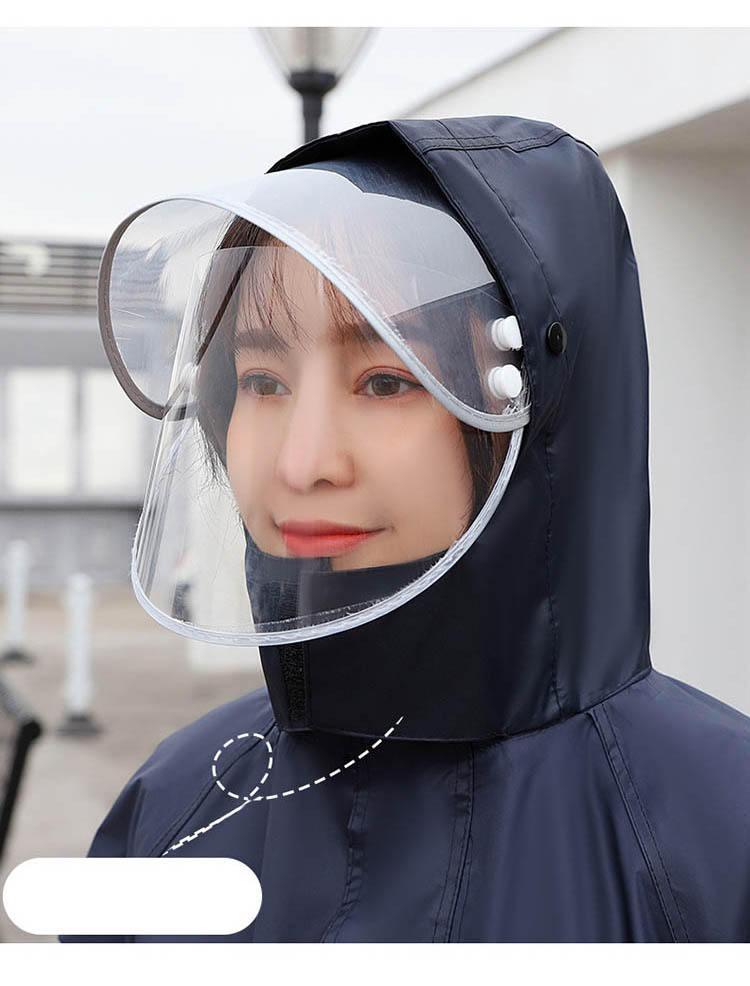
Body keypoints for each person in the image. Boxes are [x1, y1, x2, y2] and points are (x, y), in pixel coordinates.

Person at [67, 116, 749, 942]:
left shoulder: (717, 833)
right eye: (263, 381)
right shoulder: (176, 807)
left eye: (387, 381)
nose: (303, 463)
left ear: (542, 409)